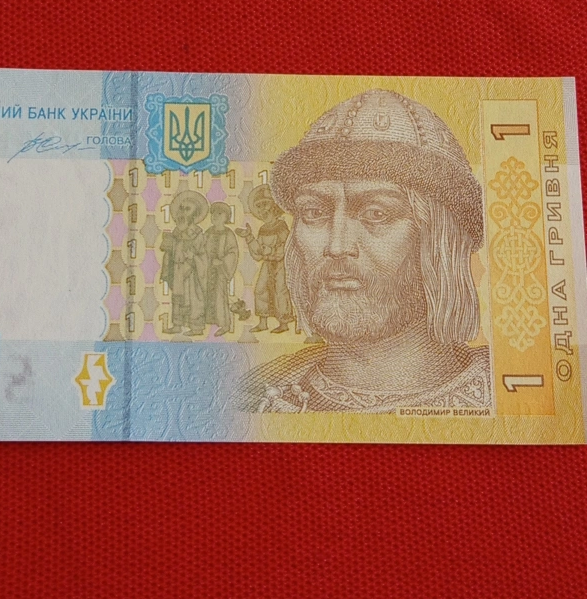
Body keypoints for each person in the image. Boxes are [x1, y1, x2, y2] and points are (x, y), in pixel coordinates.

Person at [237, 89, 492, 413]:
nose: (337, 246)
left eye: (377, 213)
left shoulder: (496, 391)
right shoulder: (257, 391)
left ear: (441, 242)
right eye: (314, 212)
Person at [236, 184, 294, 334]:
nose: (262, 210)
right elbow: (258, 253)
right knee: (260, 290)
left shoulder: (281, 225)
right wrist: (249, 237)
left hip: (280, 265)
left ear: (274, 206)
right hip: (267, 264)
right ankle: (263, 323)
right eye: (259, 206)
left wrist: (273, 251)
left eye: (265, 204)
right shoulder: (262, 229)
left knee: (280, 291)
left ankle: (283, 323)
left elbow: (287, 247)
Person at [160, 190, 209, 337]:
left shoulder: (197, 233)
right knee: (177, 297)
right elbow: (171, 249)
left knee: (193, 298)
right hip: (178, 269)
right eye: (181, 208)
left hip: (192, 272)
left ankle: (196, 327)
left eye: (187, 209)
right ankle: (177, 325)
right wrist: (168, 245)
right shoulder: (176, 231)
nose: (183, 213)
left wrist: (193, 257)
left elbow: (203, 255)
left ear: (195, 214)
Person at [204, 202, 240, 336]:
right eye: (213, 213)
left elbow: (233, 252)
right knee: (206, 293)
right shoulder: (208, 232)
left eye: (219, 214)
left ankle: (225, 325)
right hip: (208, 270)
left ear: (226, 217)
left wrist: (221, 262)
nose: (215, 216)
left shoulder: (228, 234)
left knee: (220, 296)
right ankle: (208, 320)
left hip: (220, 271)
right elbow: (201, 248)